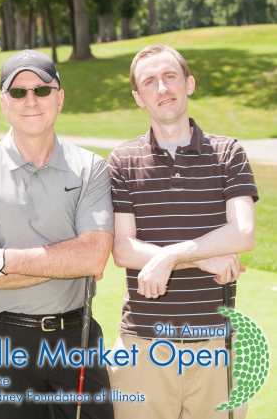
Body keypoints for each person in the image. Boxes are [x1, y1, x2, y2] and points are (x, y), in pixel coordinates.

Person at [0, 49, 115, 419]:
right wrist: (66, 260)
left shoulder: (90, 167)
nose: (31, 100)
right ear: (3, 103)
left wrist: (3, 259)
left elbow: (93, 256)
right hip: (2, 342)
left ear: (59, 98)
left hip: (78, 337)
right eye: (18, 92)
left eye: (42, 90)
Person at [107, 44, 258, 419]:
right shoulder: (123, 160)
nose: (162, 88)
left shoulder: (228, 153)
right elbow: (123, 250)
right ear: (138, 97)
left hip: (214, 343)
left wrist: (171, 257)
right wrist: (206, 257)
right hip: (143, 343)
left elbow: (243, 233)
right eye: (150, 82)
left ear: (188, 84)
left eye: (170, 76)